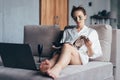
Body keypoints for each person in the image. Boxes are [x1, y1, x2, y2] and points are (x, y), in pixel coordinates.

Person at [39, 5, 102, 79]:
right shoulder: (68, 31)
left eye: (80, 17)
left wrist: (89, 46)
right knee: (60, 51)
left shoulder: (91, 32)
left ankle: (56, 69)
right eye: (75, 18)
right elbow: (62, 47)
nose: (77, 20)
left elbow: (92, 55)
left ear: (85, 16)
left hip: (80, 58)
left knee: (67, 46)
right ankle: (48, 66)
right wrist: (57, 47)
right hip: (65, 54)